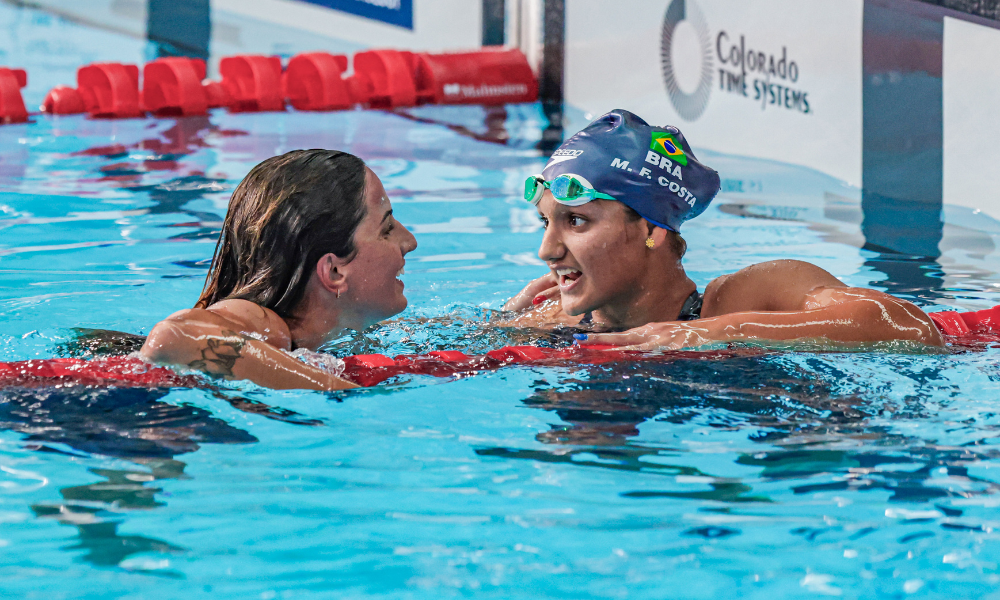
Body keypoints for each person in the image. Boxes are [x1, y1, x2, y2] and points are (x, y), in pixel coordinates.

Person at [503, 109, 943, 349]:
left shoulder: (749, 295)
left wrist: (707, 332)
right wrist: (504, 321)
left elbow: (909, 326)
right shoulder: (555, 321)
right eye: (546, 221)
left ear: (653, 228)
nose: (547, 250)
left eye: (576, 220)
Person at [140, 149, 417, 390]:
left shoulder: (320, 332)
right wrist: (345, 391)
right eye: (387, 228)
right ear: (333, 272)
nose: (409, 241)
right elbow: (176, 338)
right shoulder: (267, 326)